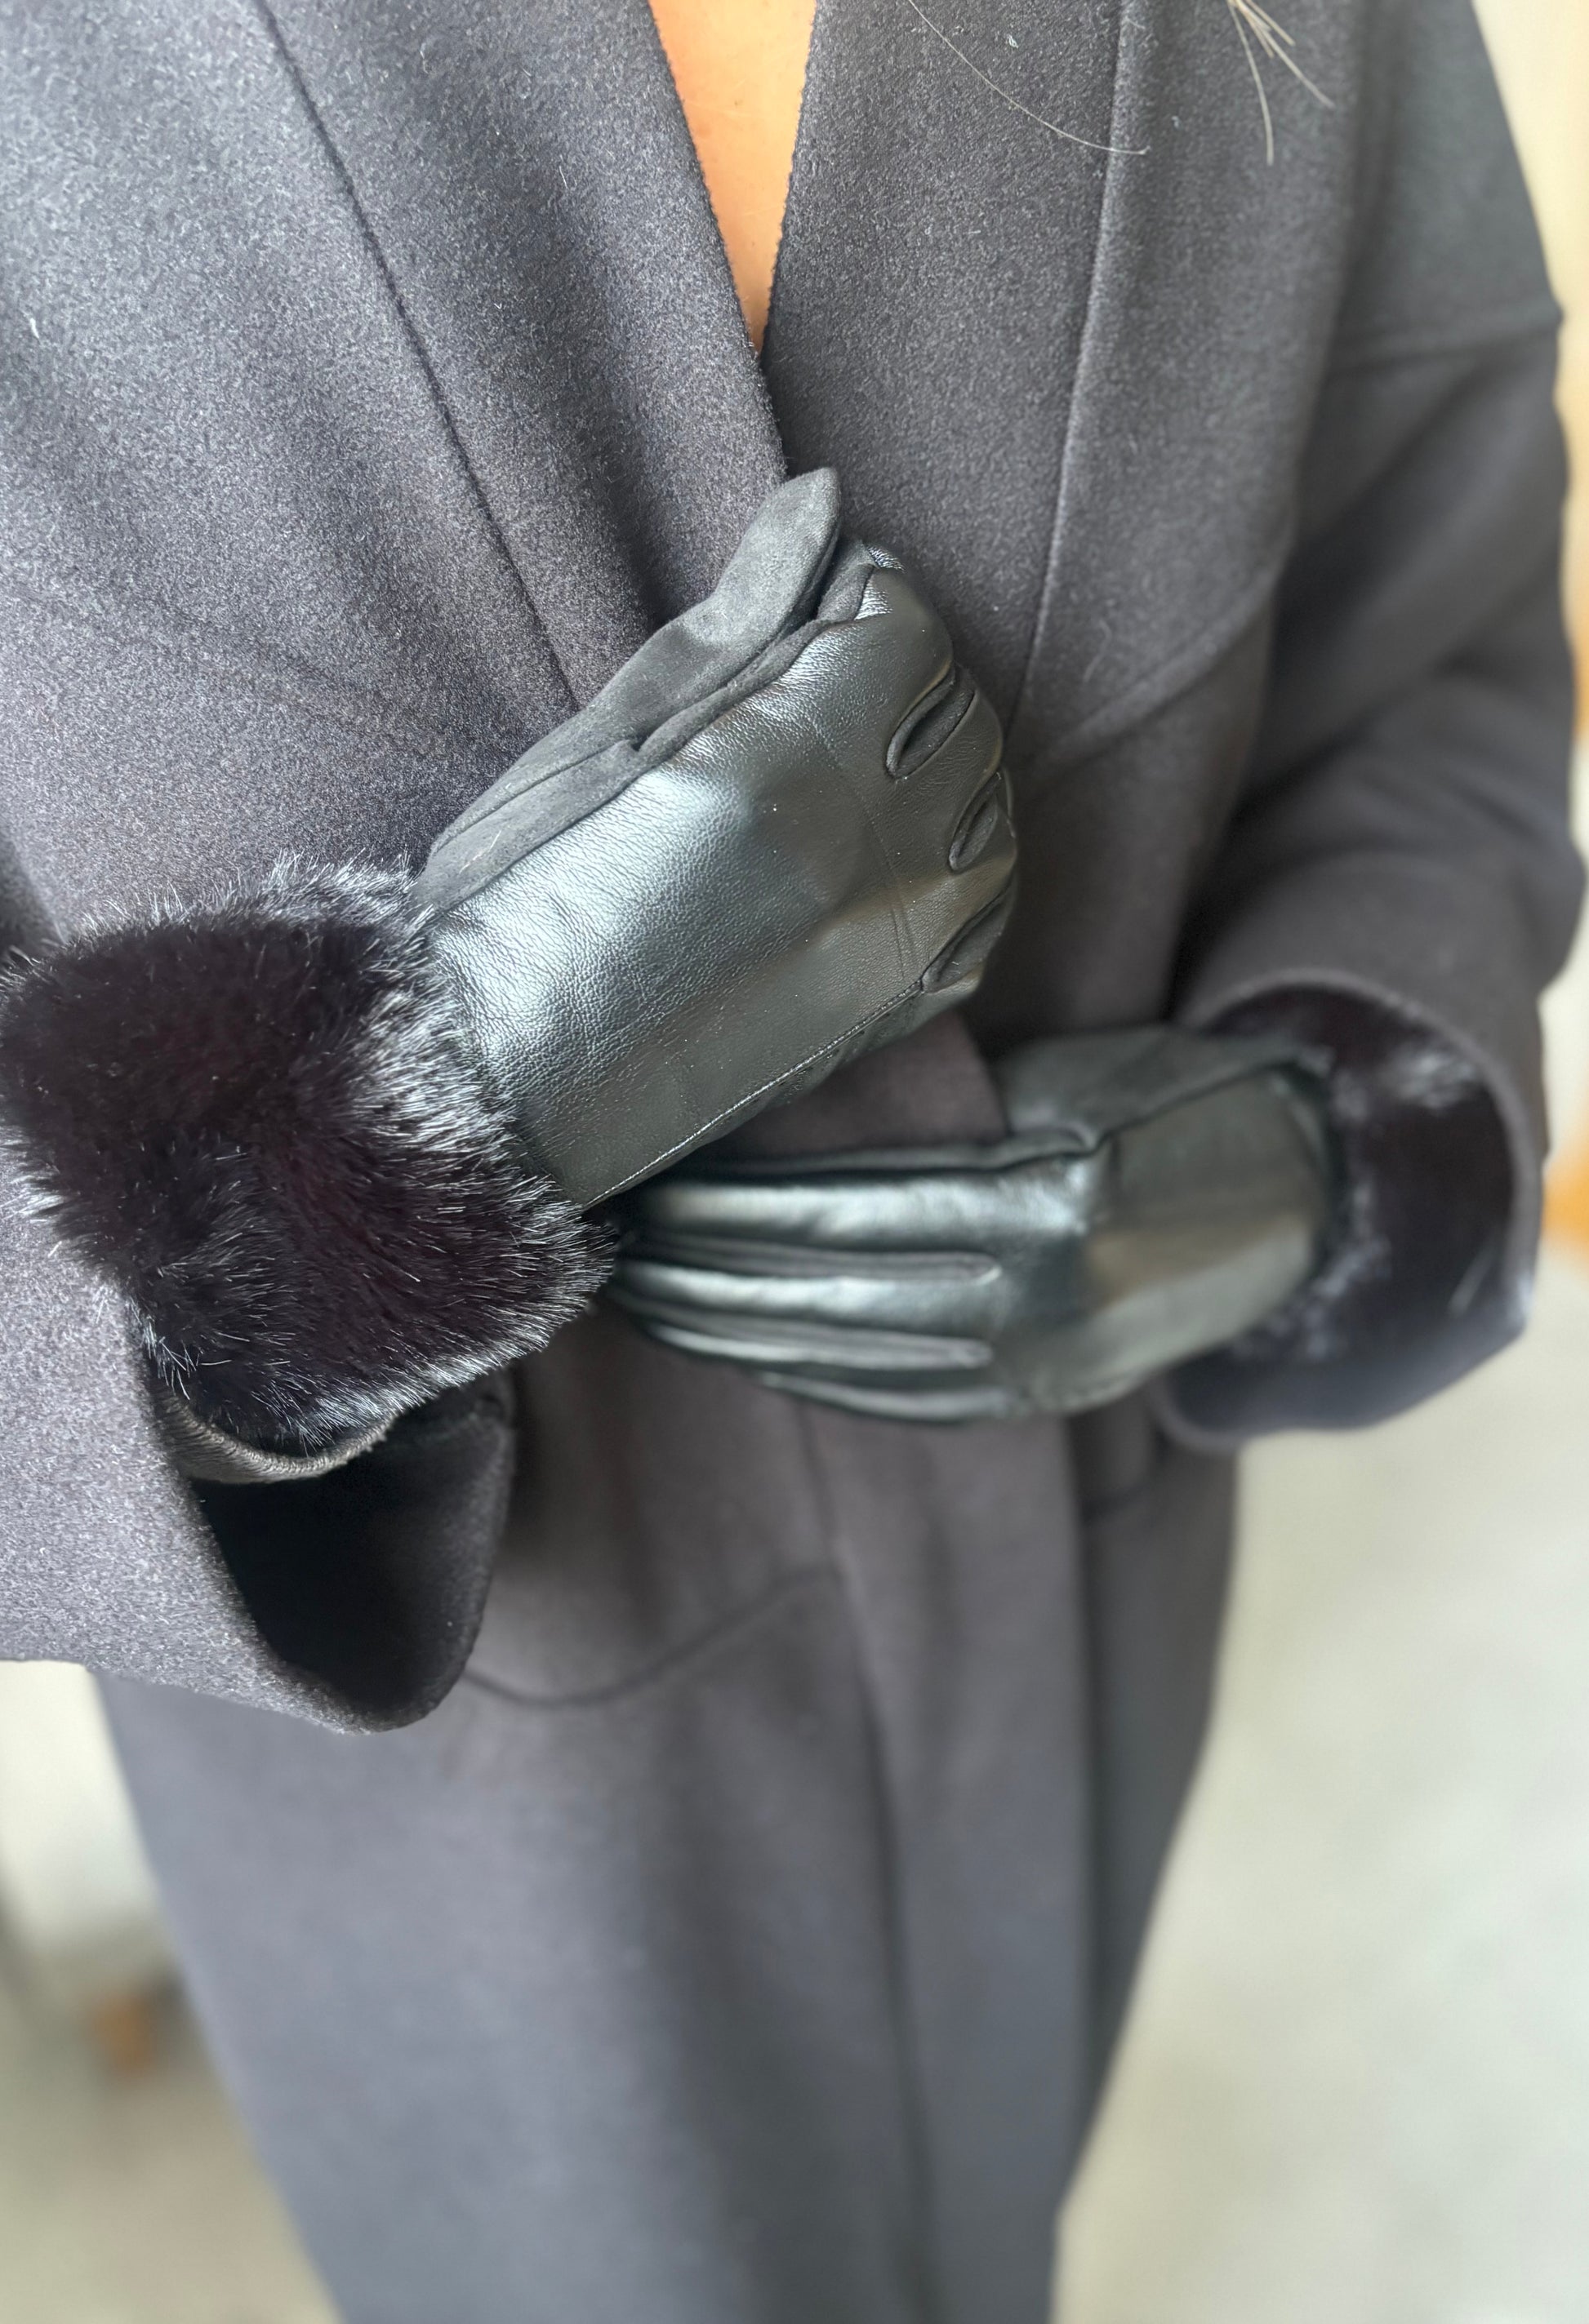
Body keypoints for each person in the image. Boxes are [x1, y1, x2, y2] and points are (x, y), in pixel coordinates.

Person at [0, 2, 1578, 2319]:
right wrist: (357, 1169)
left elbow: (1435, 652)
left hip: (1063, 1658)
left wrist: (1329, 1136)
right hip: (479, 1860)